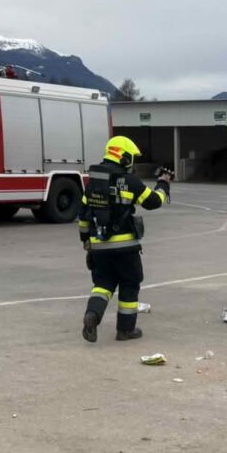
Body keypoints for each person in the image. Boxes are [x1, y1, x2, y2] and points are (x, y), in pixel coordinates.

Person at [79, 136, 172, 342]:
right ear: (124, 157)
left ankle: (92, 315)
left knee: (102, 285)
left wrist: (87, 242)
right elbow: (153, 202)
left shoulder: (93, 184)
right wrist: (163, 184)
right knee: (130, 284)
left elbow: (83, 216)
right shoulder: (130, 182)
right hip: (126, 248)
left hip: (99, 247)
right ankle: (125, 330)